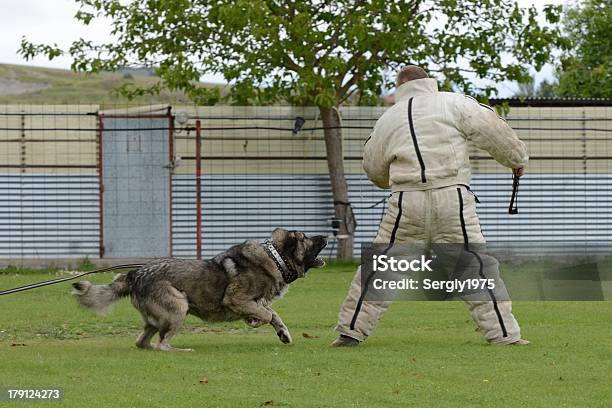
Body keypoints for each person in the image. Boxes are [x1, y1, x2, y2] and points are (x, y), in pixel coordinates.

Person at [331, 65, 530, 347]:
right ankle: (505, 335)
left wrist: (393, 181)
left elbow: (374, 169)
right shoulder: (454, 102)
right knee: (474, 268)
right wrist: (517, 159)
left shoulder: (387, 120)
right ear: (429, 82)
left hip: (406, 201)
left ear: (400, 87)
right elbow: (493, 129)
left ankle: (350, 331)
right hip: (453, 198)